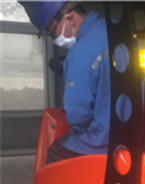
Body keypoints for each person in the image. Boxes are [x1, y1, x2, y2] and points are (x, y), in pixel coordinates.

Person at [20, 1, 110, 163]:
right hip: (129, 138)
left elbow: (78, 116)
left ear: (69, 18)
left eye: (51, 32)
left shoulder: (78, 55)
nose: (54, 38)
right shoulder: (113, 30)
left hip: (98, 143)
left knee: (54, 152)